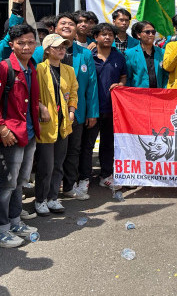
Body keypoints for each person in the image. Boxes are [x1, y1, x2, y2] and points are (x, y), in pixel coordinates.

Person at [0, 23, 40, 248]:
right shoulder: (3, 68)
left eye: (30, 42)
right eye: (21, 43)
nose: (26, 47)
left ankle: (15, 221)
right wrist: (2, 128)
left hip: (28, 134)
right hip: (11, 135)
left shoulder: (31, 68)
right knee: (6, 183)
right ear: (12, 45)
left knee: (20, 181)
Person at [32, 12, 98, 201]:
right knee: (47, 155)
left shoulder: (84, 53)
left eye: (71, 23)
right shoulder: (40, 52)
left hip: (75, 111)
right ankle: (44, 193)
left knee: (73, 151)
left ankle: (69, 186)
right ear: (55, 28)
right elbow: (32, 82)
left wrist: (92, 112)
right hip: (48, 114)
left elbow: (91, 84)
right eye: (63, 23)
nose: (68, 26)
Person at [34, 34, 78, 216]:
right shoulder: (39, 69)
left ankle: (53, 198)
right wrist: (41, 106)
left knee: (59, 163)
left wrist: (72, 110)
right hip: (46, 123)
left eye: (64, 47)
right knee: (46, 165)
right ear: (47, 50)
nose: (61, 50)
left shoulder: (69, 70)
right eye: (57, 47)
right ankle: (40, 199)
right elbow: (32, 92)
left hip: (63, 123)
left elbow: (73, 92)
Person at [91, 23, 127, 188]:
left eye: (110, 35)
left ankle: (106, 175)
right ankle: (83, 177)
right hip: (91, 109)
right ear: (96, 37)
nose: (107, 37)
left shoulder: (118, 57)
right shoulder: (88, 56)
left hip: (112, 109)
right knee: (87, 145)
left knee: (108, 143)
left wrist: (120, 84)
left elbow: (123, 77)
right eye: (103, 34)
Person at [125, 21, 168, 88]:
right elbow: (127, 78)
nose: (151, 35)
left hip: (159, 95)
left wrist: (164, 91)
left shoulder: (162, 52)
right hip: (139, 95)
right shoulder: (130, 53)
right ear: (138, 35)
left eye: (153, 32)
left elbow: (166, 76)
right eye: (147, 32)